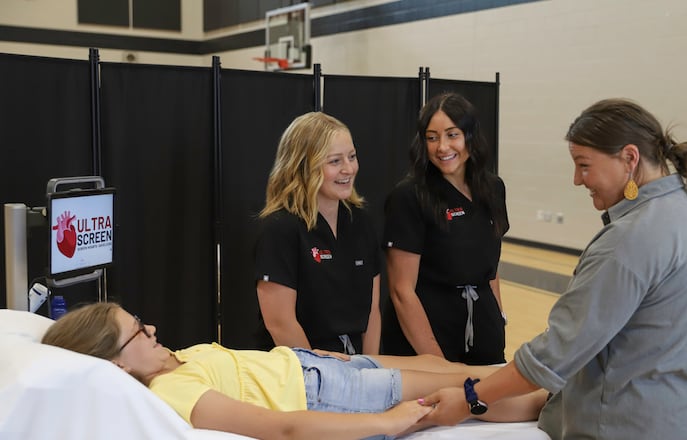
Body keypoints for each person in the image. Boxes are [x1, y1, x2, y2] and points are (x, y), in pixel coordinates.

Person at [420, 98, 687, 440]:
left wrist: (469, 400)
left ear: (629, 158)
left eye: (584, 165)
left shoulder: (631, 239)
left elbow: (552, 356)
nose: (577, 179)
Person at [41, 302, 547, 440]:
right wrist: (388, 421)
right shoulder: (173, 390)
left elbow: (255, 368)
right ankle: (564, 402)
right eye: (139, 333)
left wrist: (329, 358)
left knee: (446, 367)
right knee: (467, 391)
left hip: (319, 369)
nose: (151, 328)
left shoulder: (178, 359)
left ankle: (557, 382)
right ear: (115, 365)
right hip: (326, 393)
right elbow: (280, 427)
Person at [381, 92, 509, 365]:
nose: (442, 147)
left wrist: (498, 320)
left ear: (470, 136)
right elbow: (402, 291)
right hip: (429, 334)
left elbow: (491, 270)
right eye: (432, 137)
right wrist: (437, 362)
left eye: (452, 135)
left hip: (482, 329)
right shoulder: (409, 197)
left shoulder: (493, 188)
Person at [254, 112, 381, 355]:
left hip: (356, 368)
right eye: (335, 161)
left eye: (352, 157)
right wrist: (326, 376)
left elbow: (372, 313)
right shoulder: (280, 229)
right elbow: (280, 324)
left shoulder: (361, 222)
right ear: (303, 167)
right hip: (303, 371)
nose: (349, 169)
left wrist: (371, 370)